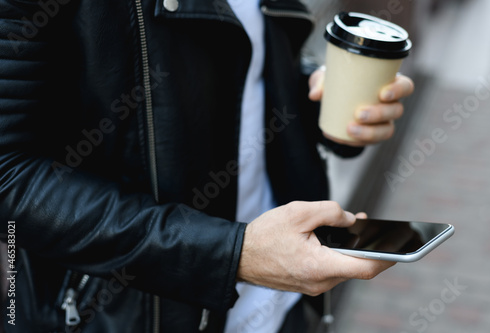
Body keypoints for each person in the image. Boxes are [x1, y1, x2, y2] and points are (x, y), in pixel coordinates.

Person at [0, 0, 414, 332]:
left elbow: (244, 68)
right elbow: (9, 178)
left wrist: (320, 104)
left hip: (281, 306)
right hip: (121, 316)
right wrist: (230, 256)